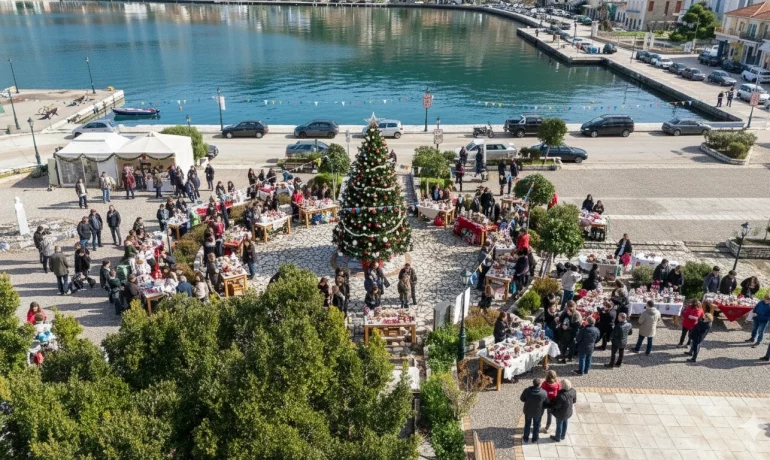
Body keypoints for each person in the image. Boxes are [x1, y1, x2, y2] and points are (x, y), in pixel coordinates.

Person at [520, 378, 548, 444]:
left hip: (528, 411)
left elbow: (522, 399)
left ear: (533, 383)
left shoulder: (527, 391)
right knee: (536, 425)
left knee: (527, 425)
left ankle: (525, 438)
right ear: (540, 384)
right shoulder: (543, 393)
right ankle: (535, 438)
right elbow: (546, 403)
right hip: (538, 412)